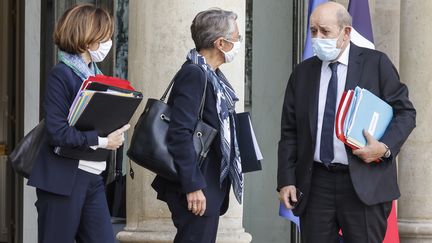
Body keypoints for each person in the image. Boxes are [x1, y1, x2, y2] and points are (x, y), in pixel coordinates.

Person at [277, 2, 416, 243]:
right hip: (316, 184)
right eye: (313, 31)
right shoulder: (302, 73)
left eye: (325, 31)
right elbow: (290, 132)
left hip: (363, 182)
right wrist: (286, 179)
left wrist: (383, 148)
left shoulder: (376, 64)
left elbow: (405, 113)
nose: (318, 38)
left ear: (347, 32)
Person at [28, 4, 130, 243]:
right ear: (87, 39)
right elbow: (58, 132)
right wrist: (104, 140)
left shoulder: (94, 76)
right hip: (62, 180)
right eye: (104, 36)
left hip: (93, 177)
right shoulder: (62, 75)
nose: (109, 42)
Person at [151, 8, 243, 243]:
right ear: (220, 43)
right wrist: (192, 186)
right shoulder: (195, 74)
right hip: (195, 186)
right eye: (237, 38)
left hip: (206, 183)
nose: (239, 42)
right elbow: (179, 133)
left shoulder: (213, 75)